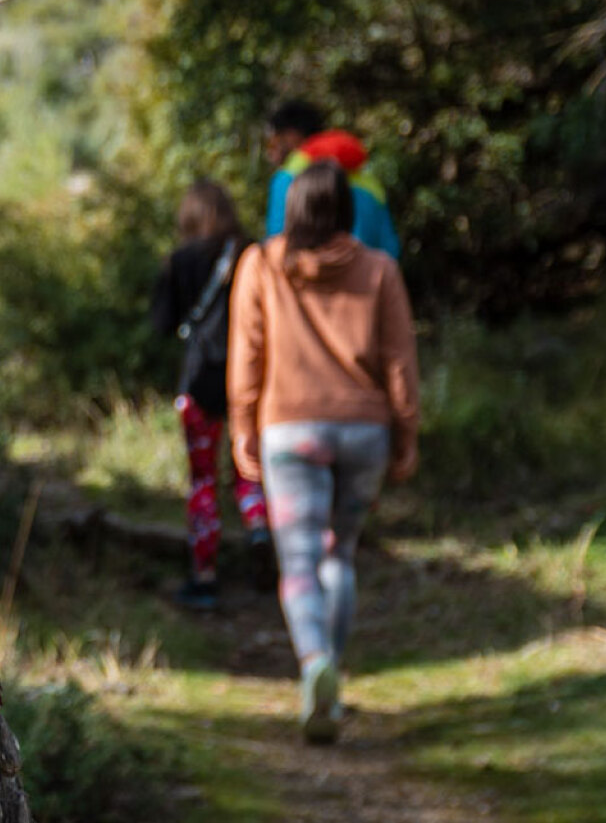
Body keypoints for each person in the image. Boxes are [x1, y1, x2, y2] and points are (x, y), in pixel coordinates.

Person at [228, 160, 420, 743]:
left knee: (300, 564)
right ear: (346, 209)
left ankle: (315, 665)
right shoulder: (380, 269)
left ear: (290, 207)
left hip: (290, 433)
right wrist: (407, 435)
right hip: (364, 432)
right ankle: (331, 687)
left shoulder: (260, 264)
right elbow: (400, 362)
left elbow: (247, 359)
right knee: (340, 555)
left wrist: (243, 428)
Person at [149, 179, 270, 611]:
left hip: (199, 381)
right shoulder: (252, 253)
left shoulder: (180, 260)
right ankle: (259, 530)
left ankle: (204, 576)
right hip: (251, 383)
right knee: (250, 469)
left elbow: (161, 324)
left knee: (203, 480)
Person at [263, 100, 400, 259]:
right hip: (367, 279)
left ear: (292, 135)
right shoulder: (367, 178)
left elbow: (277, 244)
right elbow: (390, 248)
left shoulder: (288, 176)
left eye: (272, 142)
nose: (270, 153)